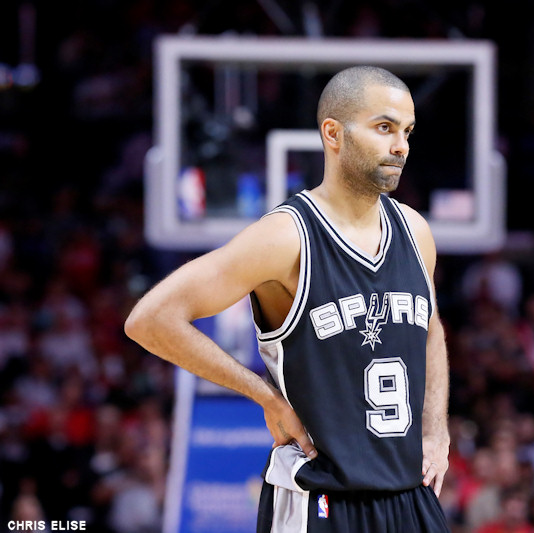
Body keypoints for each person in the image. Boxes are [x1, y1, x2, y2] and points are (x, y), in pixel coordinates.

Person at [125, 66, 451, 532]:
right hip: (320, 500)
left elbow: (430, 325)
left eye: (406, 131)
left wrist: (436, 427)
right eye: (384, 128)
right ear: (333, 134)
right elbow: (151, 318)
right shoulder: (286, 236)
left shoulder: (415, 231)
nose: (401, 146)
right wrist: (265, 397)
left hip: (408, 498)